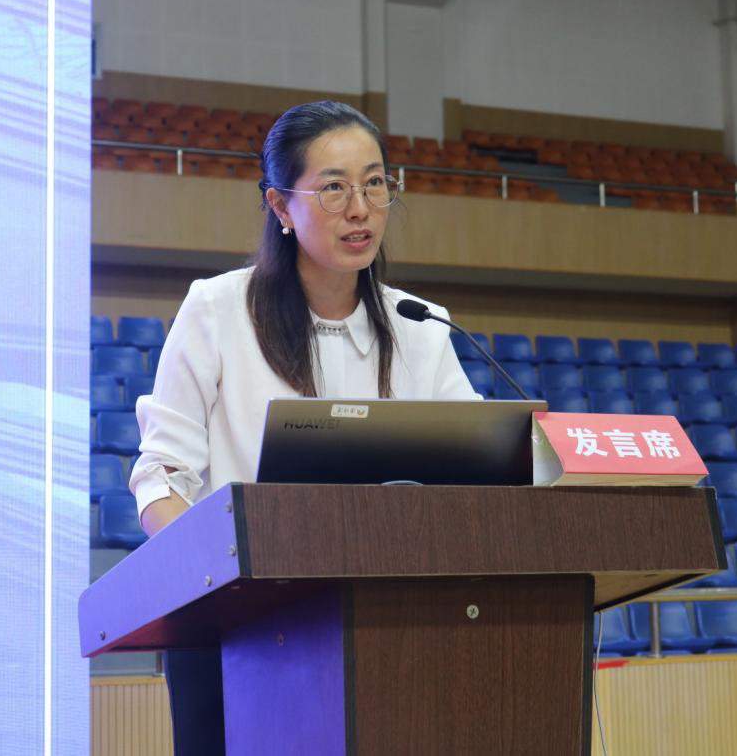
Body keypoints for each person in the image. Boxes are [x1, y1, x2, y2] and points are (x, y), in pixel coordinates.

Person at [128, 99, 479, 756]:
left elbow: (483, 468)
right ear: (280, 206)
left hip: (387, 626)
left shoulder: (420, 326)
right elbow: (159, 477)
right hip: (237, 629)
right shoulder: (216, 309)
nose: (360, 208)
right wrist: (220, 578)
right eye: (334, 188)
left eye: (375, 184)